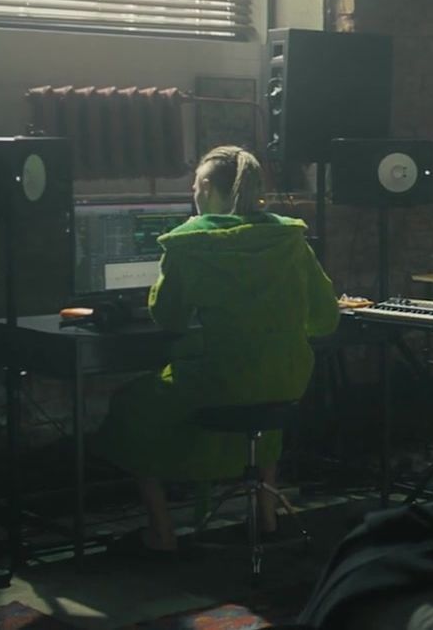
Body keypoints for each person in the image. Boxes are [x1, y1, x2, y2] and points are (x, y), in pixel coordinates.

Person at [94, 146, 339, 553]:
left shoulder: (189, 242)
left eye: (194, 185)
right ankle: (266, 516)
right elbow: (325, 320)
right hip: (287, 380)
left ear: (205, 188)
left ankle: (162, 532)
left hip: (221, 382)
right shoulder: (290, 239)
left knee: (129, 407)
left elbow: (169, 319)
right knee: (261, 409)